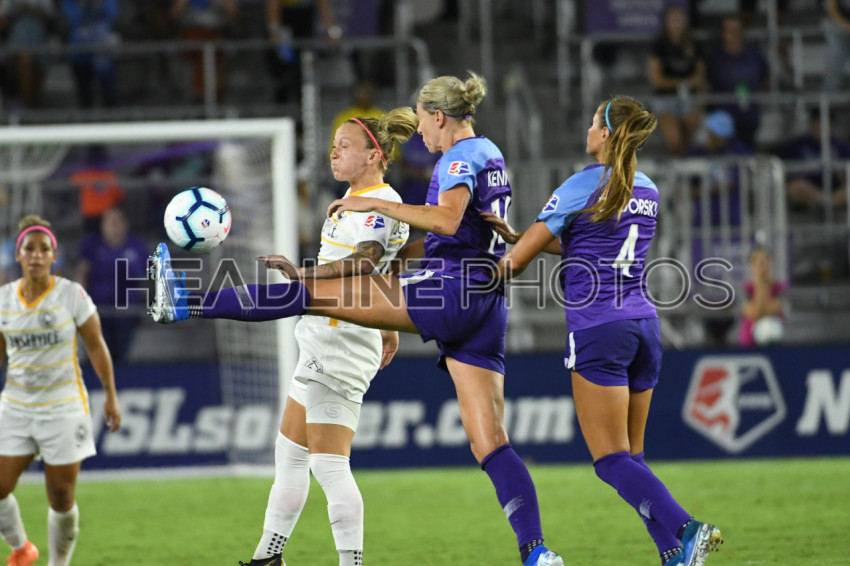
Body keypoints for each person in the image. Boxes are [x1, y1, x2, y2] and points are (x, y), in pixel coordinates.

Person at [149, 72, 564, 566]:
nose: (420, 135)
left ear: (439, 116)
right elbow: (441, 239)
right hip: (485, 298)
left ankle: (185, 302)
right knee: (489, 443)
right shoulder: (491, 155)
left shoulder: (449, 162)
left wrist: (363, 210)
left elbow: (437, 225)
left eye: (423, 122)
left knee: (305, 300)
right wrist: (392, 303)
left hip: (446, 294)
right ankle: (536, 551)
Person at [485, 96, 723, 566]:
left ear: (607, 134)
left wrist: (470, 278)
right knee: (632, 459)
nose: (588, 128)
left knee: (610, 461)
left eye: (594, 121)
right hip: (644, 327)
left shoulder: (581, 184)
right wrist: (527, 236)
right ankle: (673, 554)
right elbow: (592, 242)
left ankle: (688, 528)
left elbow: (515, 264)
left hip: (599, 329)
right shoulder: (646, 188)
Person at [234, 109, 415, 566]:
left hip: (340, 339)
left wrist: (302, 274)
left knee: (328, 464)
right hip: (325, 335)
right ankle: (267, 557)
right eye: (334, 145)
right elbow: (388, 270)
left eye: (345, 145)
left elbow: (367, 260)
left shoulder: (381, 201)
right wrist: (388, 327)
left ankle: (350, 562)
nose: (334, 152)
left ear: (373, 156)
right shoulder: (355, 199)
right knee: (290, 455)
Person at [0, 215, 121, 566]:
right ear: (18, 255)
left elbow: (96, 346)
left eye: (44, 249)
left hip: (64, 406)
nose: (36, 255)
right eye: (29, 248)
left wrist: (111, 395)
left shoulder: (72, 295)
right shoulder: (4, 300)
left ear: (54, 256)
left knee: (61, 496)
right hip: (16, 406)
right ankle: (22, 548)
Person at [74, 206, 149, 364]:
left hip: (128, 312)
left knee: (120, 357)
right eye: (110, 222)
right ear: (103, 226)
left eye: (118, 222)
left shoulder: (137, 246)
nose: (115, 227)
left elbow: (152, 274)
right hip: (99, 310)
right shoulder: (92, 245)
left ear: (126, 224)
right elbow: (82, 272)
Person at [648, 3, 705, 156]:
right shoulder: (659, 45)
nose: (677, 24)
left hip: (688, 97)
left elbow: (699, 76)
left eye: (680, 19)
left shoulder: (694, 45)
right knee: (675, 139)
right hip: (665, 98)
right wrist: (683, 83)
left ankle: (686, 165)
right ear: (666, 22)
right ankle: (675, 165)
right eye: (674, 19)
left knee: (691, 134)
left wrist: (699, 102)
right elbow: (657, 80)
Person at [705, 15, 770, 148]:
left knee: (745, 150)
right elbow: (705, 81)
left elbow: (766, 77)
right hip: (723, 115)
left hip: (749, 113)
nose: (733, 34)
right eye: (729, 30)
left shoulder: (754, 54)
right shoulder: (714, 57)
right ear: (723, 34)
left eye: (736, 30)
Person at [779, 108, 850, 212]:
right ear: (811, 125)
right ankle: (825, 204)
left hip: (835, 189)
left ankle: (827, 204)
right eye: (817, 124)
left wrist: (842, 176)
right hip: (810, 189)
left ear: (831, 126)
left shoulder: (841, 147)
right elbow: (786, 171)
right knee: (795, 186)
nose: (820, 128)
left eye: (824, 125)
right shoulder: (798, 146)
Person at [170, 0, 238, 104]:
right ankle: (201, 94)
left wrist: (222, 4)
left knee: (210, 50)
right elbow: (174, 14)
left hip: (216, 33)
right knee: (199, 50)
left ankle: (207, 95)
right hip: (191, 32)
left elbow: (233, 17)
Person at [61, 0, 120, 109]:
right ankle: (86, 117)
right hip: (80, 52)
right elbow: (72, 18)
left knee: (109, 94)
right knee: (85, 95)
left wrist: (99, 3)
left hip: (104, 53)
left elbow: (112, 14)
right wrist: (81, 4)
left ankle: (111, 117)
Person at [739, 246, 787, 347]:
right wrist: (760, 285)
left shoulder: (780, 287)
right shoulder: (745, 289)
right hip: (749, 343)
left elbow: (772, 309)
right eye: (758, 262)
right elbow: (754, 313)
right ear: (752, 264)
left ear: (770, 263)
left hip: (775, 340)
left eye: (766, 261)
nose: (762, 265)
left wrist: (765, 285)